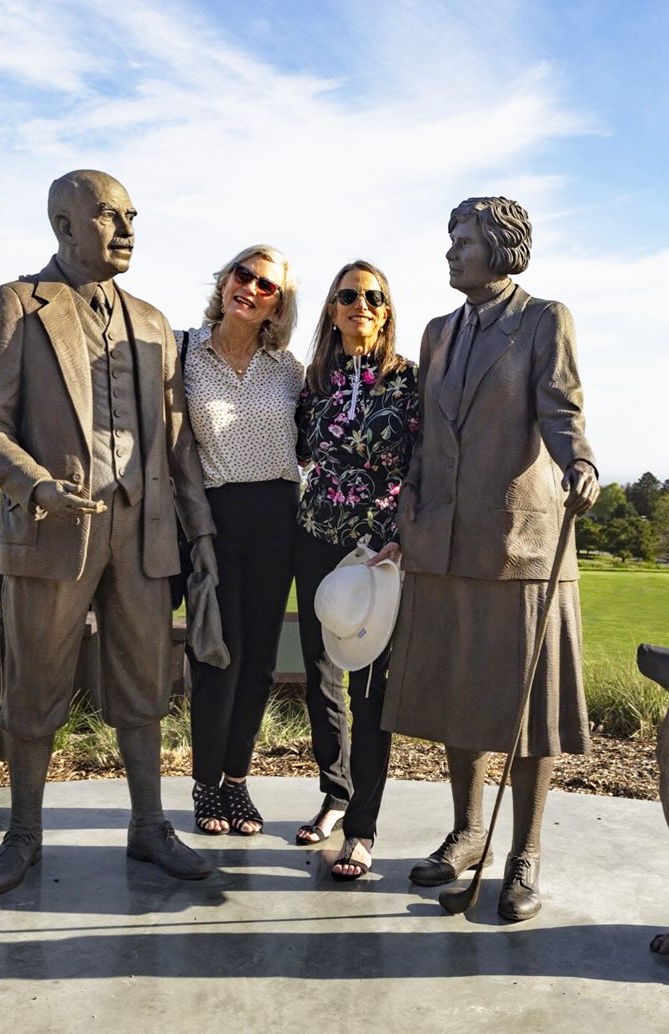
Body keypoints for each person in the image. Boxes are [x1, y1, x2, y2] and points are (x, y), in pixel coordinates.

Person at [0, 169, 218, 896]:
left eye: (134, 216)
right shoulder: (16, 305)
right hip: (50, 533)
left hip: (144, 536)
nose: (129, 230)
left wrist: (199, 538)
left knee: (145, 687)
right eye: (111, 216)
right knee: (35, 689)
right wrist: (37, 484)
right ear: (65, 225)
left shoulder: (152, 321)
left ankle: (149, 827)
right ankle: (23, 835)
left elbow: (177, 445)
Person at [381, 197, 600, 920]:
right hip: (441, 541)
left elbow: (562, 408)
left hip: (521, 544)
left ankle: (525, 852)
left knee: (526, 713)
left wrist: (582, 465)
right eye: (450, 237)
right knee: (457, 698)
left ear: (502, 249)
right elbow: (424, 436)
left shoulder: (544, 320)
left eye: (463, 239)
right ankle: (469, 831)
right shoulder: (438, 332)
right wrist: (408, 504)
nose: (450, 251)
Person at [293, 260, 419, 879]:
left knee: (370, 694)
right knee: (321, 683)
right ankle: (334, 793)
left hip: (377, 553)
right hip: (315, 540)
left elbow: (423, 465)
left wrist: (401, 535)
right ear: (333, 308)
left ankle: (362, 830)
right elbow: (296, 453)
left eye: (372, 296)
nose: (360, 304)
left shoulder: (409, 382)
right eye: (348, 295)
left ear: (387, 309)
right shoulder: (314, 381)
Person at [178, 246, 302, 837]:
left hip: (279, 515)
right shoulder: (181, 354)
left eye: (266, 285)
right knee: (217, 656)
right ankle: (205, 784)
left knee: (258, 663)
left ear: (279, 305)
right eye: (242, 275)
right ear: (225, 280)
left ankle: (235, 783)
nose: (250, 287)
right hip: (216, 516)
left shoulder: (289, 370)